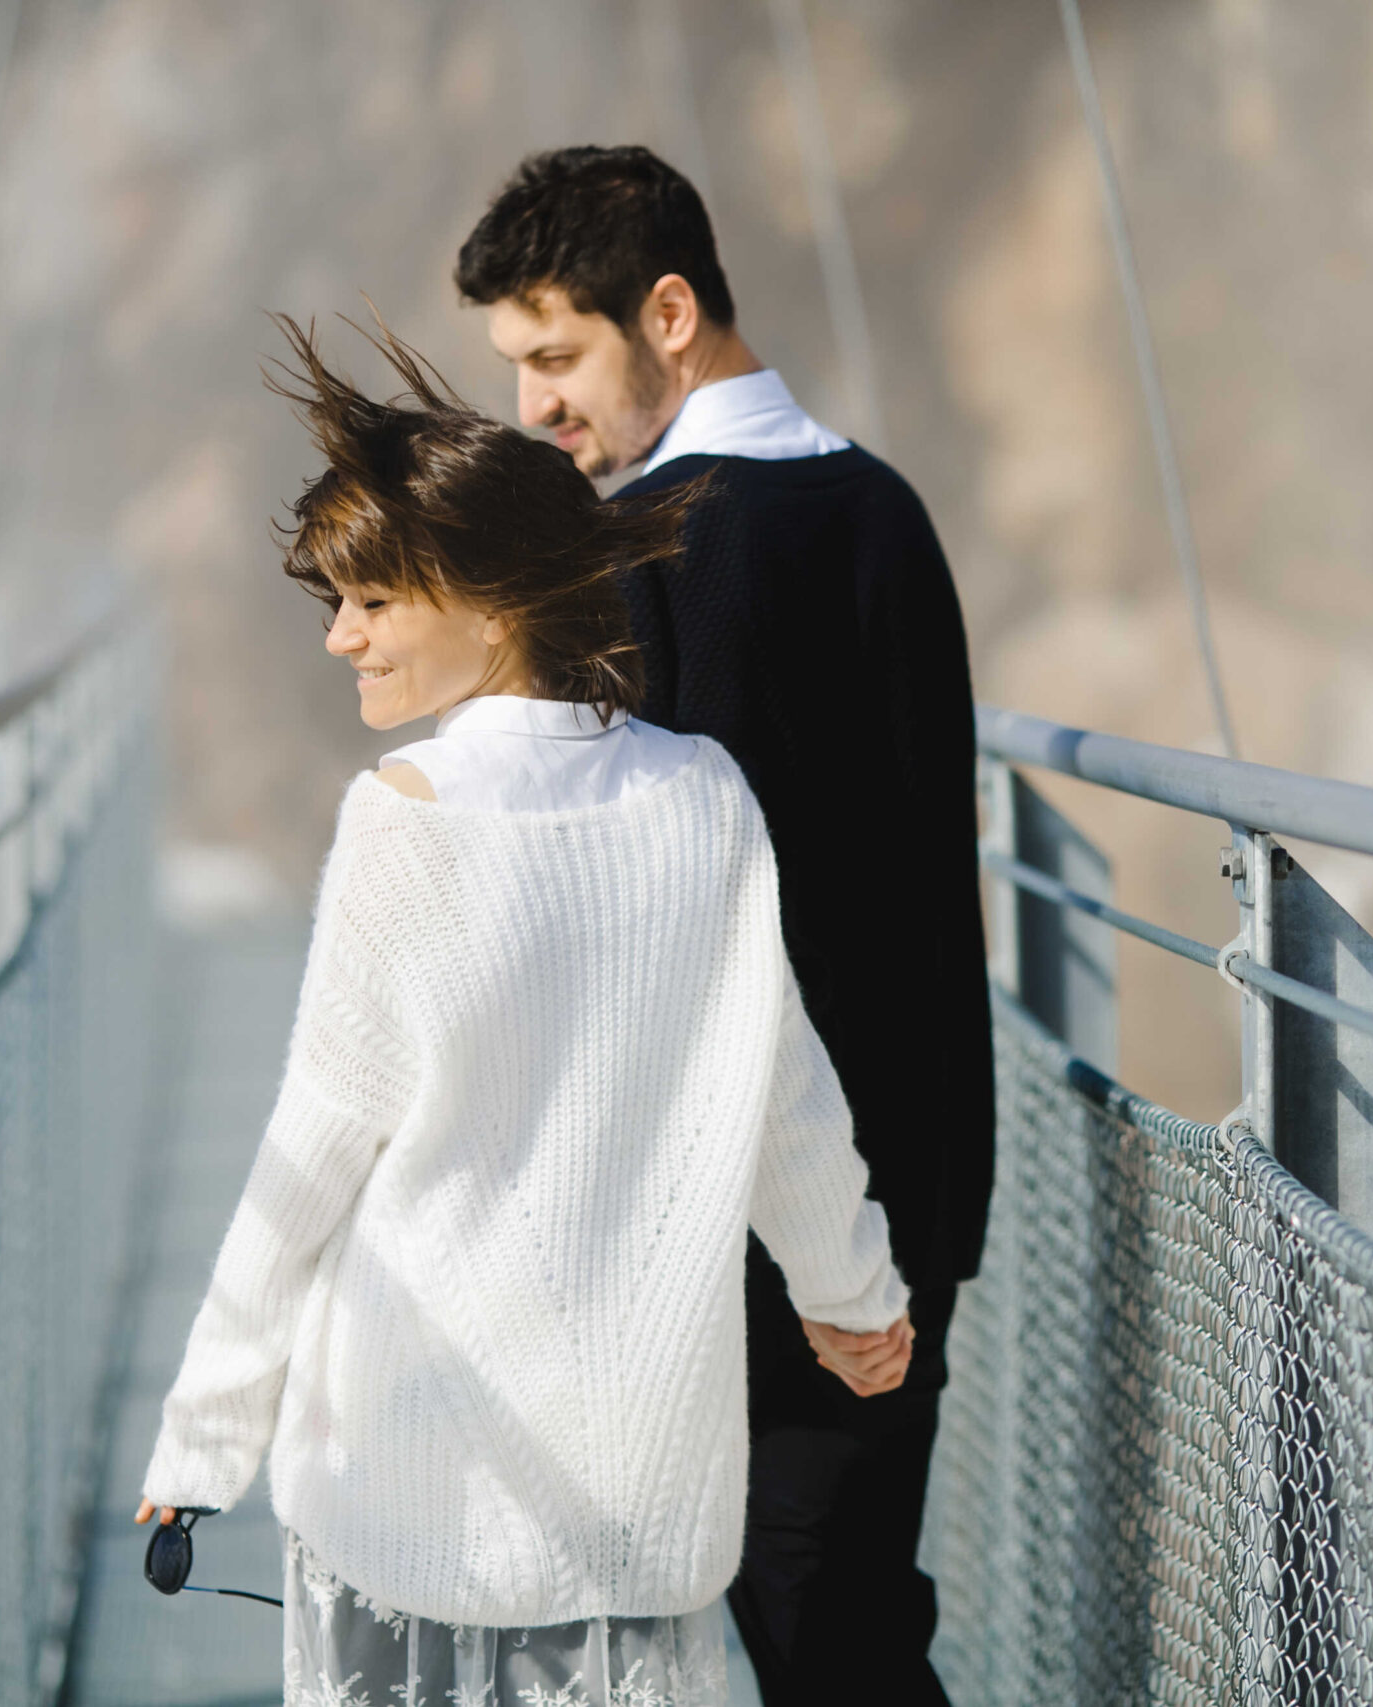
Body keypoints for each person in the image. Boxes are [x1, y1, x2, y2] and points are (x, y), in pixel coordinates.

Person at [135, 315, 913, 1707]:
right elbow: (780, 1091)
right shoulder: (705, 795)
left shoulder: (403, 823)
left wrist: (202, 1444)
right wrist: (852, 1293)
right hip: (635, 1490)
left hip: (410, 1472)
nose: (339, 639)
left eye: (370, 601)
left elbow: (312, 1164)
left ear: (491, 604)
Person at [457, 146, 992, 1706]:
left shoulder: (675, 547)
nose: (537, 408)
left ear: (668, 314)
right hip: (901, 1169)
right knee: (850, 1609)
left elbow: (675, 923)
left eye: (557, 359)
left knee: (801, 1625)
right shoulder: (880, 508)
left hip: (765, 1204)